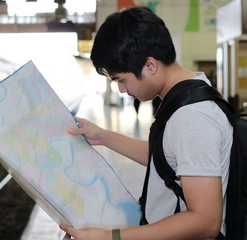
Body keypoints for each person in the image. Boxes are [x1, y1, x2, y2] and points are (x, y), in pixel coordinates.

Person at [60, 6, 232, 240]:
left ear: (150, 65)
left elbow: (205, 221)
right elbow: (168, 158)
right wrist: (103, 137)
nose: (121, 89)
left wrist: (112, 237)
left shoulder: (192, 117)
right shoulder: (185, 98)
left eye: (121, 79)